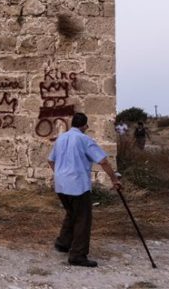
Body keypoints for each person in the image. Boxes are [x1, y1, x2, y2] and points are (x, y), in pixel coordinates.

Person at [48, 112, 122, 268]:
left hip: (61, 185)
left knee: (71, 213)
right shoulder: (84, 139)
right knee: (83, 219)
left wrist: (60, 174)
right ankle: (77, 255)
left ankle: (63, 243)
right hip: (77, 185)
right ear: (85, 126)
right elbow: (103, 161)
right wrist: (114, 179)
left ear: (72, 123)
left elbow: (50, 160)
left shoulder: (61, 138)